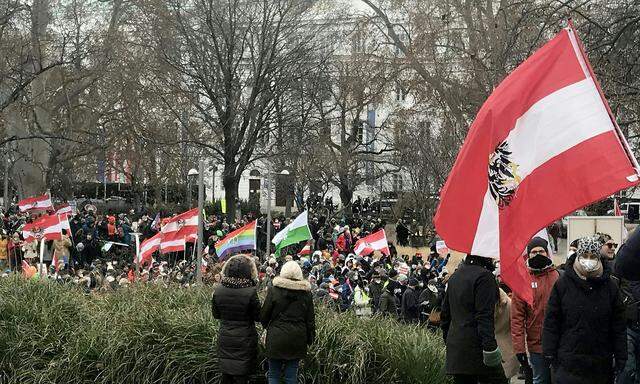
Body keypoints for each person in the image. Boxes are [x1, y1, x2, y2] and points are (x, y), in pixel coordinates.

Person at [543, 236, 627, 384]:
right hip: (568, 363)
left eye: (593, 256)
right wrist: (549, 352)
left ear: (599, 258)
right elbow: (552, 321)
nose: (588, 260)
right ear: (578, 256)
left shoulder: (610, 288)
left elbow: (618, 325)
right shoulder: (562, 285)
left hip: (600, 364)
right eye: (585, 256)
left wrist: (621, 356)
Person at [441, 255, 507, 384]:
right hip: (478, 350)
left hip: (457, 350)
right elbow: (484, 316)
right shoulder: (484, 277)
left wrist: (450, 342)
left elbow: (445, 315)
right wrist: (490, 349)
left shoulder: (455, 277)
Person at [511, 237, 558, 384]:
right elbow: (517, 319)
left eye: (541, 251)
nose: (538, 254)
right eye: (534, 252)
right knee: (540, 380)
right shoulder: (523, 281)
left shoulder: (559, 277)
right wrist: (519, 349)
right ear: (528, 255)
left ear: (547, 253)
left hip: (559, 343)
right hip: (536, 345)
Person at [261, 260, 315, 384]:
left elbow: (264, 314)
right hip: (298, 337)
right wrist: (310, 338)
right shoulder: (306, 294)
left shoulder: (274, 290)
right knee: (291, 375)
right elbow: (310, 319)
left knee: (273, 374)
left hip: (276, 336)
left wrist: (267, 326)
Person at [211, 255, 261, 384]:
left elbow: (216, 314)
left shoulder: (219, 290)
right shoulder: (250, 291)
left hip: (225, 337)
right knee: (242, 376)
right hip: (245, 339)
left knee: (226, 375)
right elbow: (258, 316)